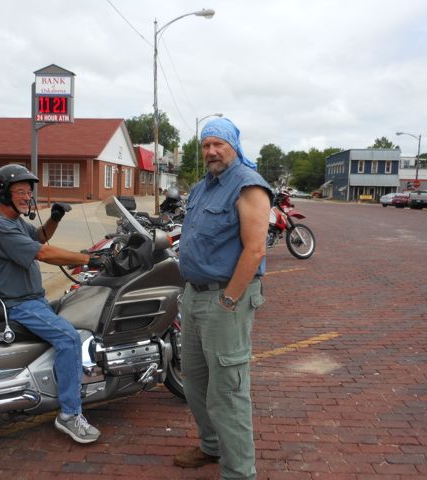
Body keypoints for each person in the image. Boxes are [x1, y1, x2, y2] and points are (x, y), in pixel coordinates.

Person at [0, 164, 105, 444]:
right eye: (20, 191)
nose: (26, 196)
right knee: (69, 338)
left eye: (28, 192)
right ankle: (70, 414)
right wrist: (91, 259)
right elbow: (44, 252)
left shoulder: (14, 221)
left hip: (33, 298)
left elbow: (39, 237)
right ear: (3, 193)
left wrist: (55, 218)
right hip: (19, 304)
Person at [174, 118, 272, 479]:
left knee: (228, 391)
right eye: (205, 145)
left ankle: (239, 472)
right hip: (194, 296)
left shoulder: (249, 186)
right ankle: (211, 447)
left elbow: (255, 249)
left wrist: (229, 301)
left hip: (225, 299)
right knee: (196, 382)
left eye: (218, 144)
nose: (211, 151)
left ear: (234, 145)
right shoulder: (203, 187)